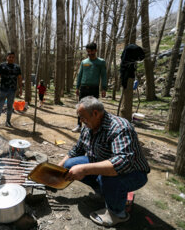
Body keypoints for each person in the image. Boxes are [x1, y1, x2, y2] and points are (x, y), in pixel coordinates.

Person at [58, 96, 150, 227]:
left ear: (95, 113)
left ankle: (117, 214)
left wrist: (85, 169)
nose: (81, 121)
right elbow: (77, 149)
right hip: (103, 162)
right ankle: (104, 193)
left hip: (134, 172)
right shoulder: (88, 126)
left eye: (82, 117)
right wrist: (57, 169)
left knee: (106, 178)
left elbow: (122, 163)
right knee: (69, 165)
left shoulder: (120, 127)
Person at [72, 42, 107, 133]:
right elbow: (80, 75)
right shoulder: (84, 62)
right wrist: (77, 87)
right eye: (88, 51)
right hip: (84, 88)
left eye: (91, 51)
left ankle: (92, 126)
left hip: (94, 88)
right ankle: (79, 125)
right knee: (81, 107)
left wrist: (104, 88)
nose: (90, 53)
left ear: (95, 50)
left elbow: (104, 76)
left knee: (93, 109)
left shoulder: (101, 62)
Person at [0, 52, 22, 128]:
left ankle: (8, 122)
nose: (11, 58)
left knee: (10, 107)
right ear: (7, 57)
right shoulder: (2, 66)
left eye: (12, 57)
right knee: (0, 106)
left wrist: (20, 89)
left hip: (12, 90)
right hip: (3, 89)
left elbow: (20, 78)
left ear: (14, 58)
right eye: (10, 57)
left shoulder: (17, 67)